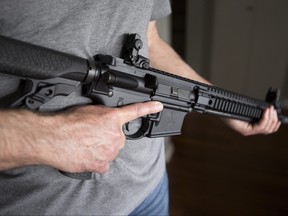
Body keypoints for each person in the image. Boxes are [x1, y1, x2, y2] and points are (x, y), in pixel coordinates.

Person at [0, 0, 281, 215]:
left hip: (149, 190)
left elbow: (150, 41)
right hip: (45, 205)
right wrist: (47, 138)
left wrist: (228, 109)